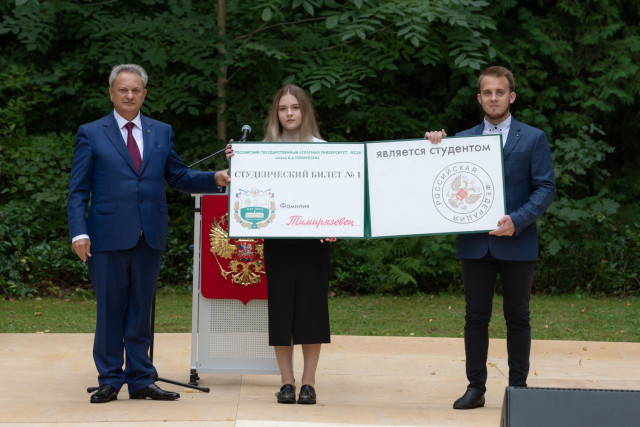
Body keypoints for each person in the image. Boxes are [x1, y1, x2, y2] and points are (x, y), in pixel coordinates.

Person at [67, 64, 230, 404]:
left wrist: (213, 179)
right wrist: (79, 233)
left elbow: (178, 176)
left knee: (141, 310)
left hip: (149, 235)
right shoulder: (91, 133)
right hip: (106, 237)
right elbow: (78, 191)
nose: (129, 95)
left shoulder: (161, 131)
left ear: (144, 94)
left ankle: (141, 379)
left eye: (136, 90)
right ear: (111, 93)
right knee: (110, 310)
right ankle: (110, 380)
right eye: (123, 89)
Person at [425, 66, 556, 409]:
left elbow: (546, 188)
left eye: (500, 92)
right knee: (475, 317)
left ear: (511, 97)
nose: (493, 98)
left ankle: (518, 391)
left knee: (518, 317)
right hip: (475, 243)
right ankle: (476, 388)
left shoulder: (533, 138)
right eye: (487, 92)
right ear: (479, 98)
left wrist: (518, 220)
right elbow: (438, 179)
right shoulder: (462, 139)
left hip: (518, 240)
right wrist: (434, 146)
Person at [226, 84, 335, 405]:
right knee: (282, 311)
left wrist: (333, 224)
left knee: (312, 311)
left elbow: (334, 197)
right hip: (278, 240)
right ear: (276, 113)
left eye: (295, 107)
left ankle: (309, 383)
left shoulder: (323, 149)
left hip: (314, 241)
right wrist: (237, 162)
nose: (289, 113)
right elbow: (248, 193)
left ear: (305, 111)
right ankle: (287, 382)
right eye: (283, 108)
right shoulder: (262, 150)